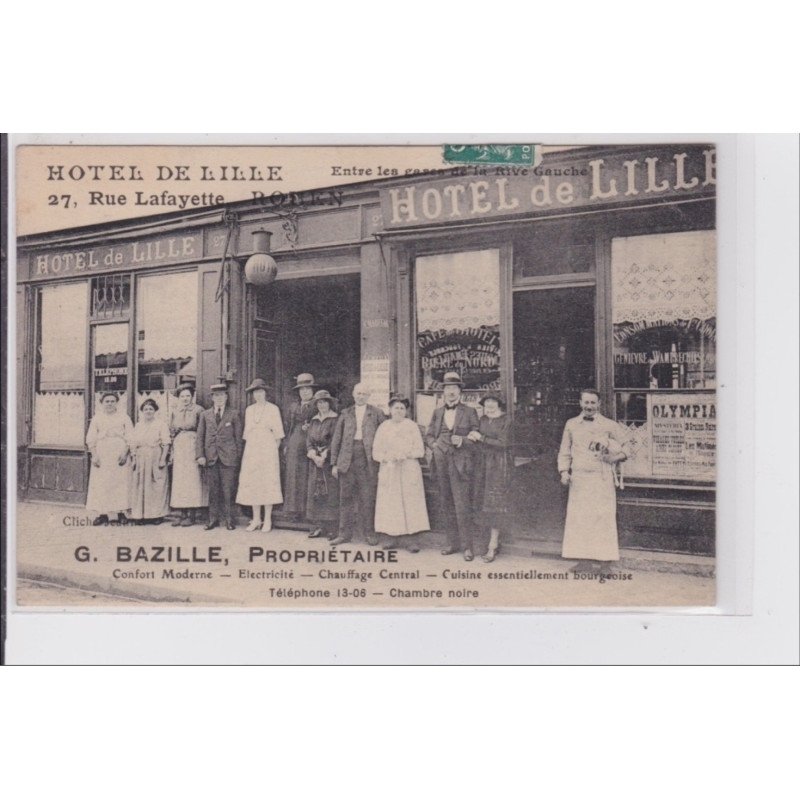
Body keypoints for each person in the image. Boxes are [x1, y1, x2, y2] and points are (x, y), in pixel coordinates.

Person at [558, 389, 629, 574]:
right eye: (586, 402)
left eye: (592, 403)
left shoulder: (609, 425)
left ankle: (605, 564)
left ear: (599, 404)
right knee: (580, 519)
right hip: (579, 479)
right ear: (580, 403)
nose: (589, 406)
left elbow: (628, 447)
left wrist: (614, 458)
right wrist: (564, 471)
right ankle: (584, 562)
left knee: (603, 519)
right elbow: (565, 450)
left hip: (601, 478)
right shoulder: (571, 424)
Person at [425, 371, 480, 561]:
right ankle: (451, 543)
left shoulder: (470, 412)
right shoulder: (437, 412)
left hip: (460, 465)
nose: (451, 392)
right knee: (446, 503)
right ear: (443, 392)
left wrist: (463, 441)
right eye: (448, 388)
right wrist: (434, 445)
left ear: (459, 391)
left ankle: (467, 547)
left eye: (454, 388)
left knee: (462, 505)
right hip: (440, 463)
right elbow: (429, 435)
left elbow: (477, 436)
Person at [330, 383, 385, 546]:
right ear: (353, 395)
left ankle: (369, 533)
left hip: (368, 460)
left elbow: (384, 435)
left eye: (364, 394)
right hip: (347, 459)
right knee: (345, 498)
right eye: (358, 393)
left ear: (368, 396)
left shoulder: (377, 413)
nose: (360, 396)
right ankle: (344, 534)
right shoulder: (345, 413)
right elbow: (337, 439)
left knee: (367, 498)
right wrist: (334, 463)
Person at [372, 396, 429, 552]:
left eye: (402, 408)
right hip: (390, 469)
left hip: (408, 468)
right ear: (390, 410)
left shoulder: (412, 426)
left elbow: (420, 450)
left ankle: (411, 540)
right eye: (396, 408)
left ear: (406, 411)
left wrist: (406, 454)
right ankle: (390, 537)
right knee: (391, 503)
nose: (399, 411)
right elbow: (376, 452)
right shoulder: (383, 427)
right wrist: (387, 457)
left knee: (410, 503)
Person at [236, 379, 285, 532]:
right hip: (252, 449)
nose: (258, 394)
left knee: (267, 482)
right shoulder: (249, 410)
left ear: (265, 393)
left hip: (268, 449)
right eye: (255, 392)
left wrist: (272, 452)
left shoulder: (273, 409)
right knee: (253, 483)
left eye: (261, 391)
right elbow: (247, 434)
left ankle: (267, 519)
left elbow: (278, 435)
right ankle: (256, 519)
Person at [468, 394, 512, 562]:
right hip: (482, 464)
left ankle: (493, 545)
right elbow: (476, 439)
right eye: (487, 402)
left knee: (495, 504)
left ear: (499, 404)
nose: (490, 405)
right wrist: (472, 437)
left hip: (498, 465)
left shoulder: (506, 420)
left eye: (493, 402)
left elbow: (503, 443)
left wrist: (481, 438)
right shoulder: (483, 419)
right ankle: (484, 543)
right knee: (481, 503)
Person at [196, 381, 243, 531]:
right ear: (212, 398)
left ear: (226, 397)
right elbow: (200, 437)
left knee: (228, 490)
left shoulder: (233, 414)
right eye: (216, 396)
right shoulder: (205, 415)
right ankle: (213, 519)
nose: (219, 398)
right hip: (211, 458)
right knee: (213, 491)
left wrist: (237, 457)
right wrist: (200, 455)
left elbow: (238, 438)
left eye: (222, 395)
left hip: (228, 458)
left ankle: (229, 520)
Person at [85, 391, 133, 525]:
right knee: (102, 483)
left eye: (112, 401)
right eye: (107, 401)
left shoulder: (124, 417)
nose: (110, 404)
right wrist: (94, 455)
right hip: (102, 453)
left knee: (120, 482)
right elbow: (91, 438)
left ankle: (121, 512)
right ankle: (103, 514)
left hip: (119, 452)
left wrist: (125, 453)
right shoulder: (97, 418)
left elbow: (130, 437)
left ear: (117, 403)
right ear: (102, 403)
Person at [168, 384, 208, 527]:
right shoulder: (175, 411)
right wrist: (172, 451)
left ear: (192, 396)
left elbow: (203, 431)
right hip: (180, 447)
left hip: (193, 445)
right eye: (182, 396)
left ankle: (192, 514)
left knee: (192, 480)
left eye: (188, 396)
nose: (185, 399)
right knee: (180, 481)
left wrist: (200, 451)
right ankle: (182, 513)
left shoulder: (199, 410)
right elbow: (171, 431)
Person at [129, 398, 171, 524]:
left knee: (156, 486)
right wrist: (134, 457)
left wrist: (162, 459)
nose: (148, 411)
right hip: (141, 457)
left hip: (155, 456)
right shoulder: (138, 425)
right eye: (146, 409)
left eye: (151, 409)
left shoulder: (161, 424)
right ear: (142, 411)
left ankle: (156, 515)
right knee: (140, 485)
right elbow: (133, 443)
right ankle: (140, 515)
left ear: (155, 411)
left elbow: (166, 443)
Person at [282, 373, 317, 522]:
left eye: (308, 388)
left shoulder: (318, 404)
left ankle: (310, 513)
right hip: (295, 442)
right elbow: (287, 427)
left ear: (313, 390)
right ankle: (294, 511)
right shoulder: (293, 406)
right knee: (294, 476)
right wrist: (286, 444)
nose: (305, 392)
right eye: (302, 389)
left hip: (313, 441)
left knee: (309, 476)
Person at [305, 390, 340, 540]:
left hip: (328, 461)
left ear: (329, 403)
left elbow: (336, 440)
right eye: (319, 402)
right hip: (315, 462)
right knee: (315, 493)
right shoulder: (314, 420)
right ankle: (317, 526)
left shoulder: (335, 419)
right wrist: (313, 454)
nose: (322, 405)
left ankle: (332, 528)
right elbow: (309, 440)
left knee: (330, 493)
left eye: (325, 402)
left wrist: (325, 455)